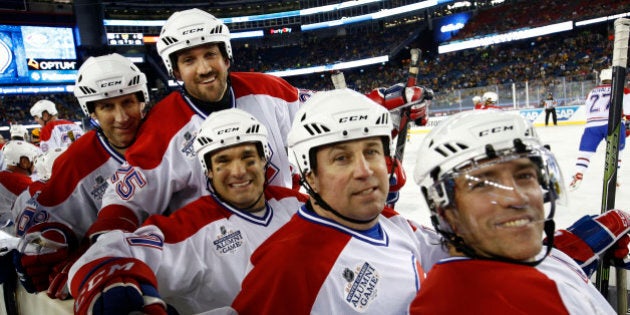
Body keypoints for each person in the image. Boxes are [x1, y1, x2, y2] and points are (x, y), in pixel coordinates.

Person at [89, 8, 424, 242]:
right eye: (189, 60)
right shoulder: (161, 128)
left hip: (291, 235)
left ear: (226, 56)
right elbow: (124, 201)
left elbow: (326, 112)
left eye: (210, 55)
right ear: (175, 71)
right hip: (214, 258)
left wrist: (381, 101)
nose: (204, 68)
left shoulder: (269, 89)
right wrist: (108, 250)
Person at [67, 109, 308, 314]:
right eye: (223, 161)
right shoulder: (189, 227)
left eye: (248, 158)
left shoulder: (296, 204)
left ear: (264, 160)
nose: (238, 171)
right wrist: (108, 281)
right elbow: (108, 253)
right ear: (209, 170)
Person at [230, 88, 447, 314]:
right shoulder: (285, 268)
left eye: (372, 151)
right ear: (311, 176)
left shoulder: (389, 222)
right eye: (342, 158)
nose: (364, 171)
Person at [409, 110, 618, 314]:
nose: (517, 198)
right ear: (445, 210)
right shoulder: (485, 304)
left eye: (525, 175)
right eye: (483, 184)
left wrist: (571, 259)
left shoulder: (508, 266)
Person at [9, 53, 149, 298]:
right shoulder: (75, 163)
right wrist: (59, 240)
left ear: (142, 100)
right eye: (107, 106)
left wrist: (95, 248)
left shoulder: (174, 130)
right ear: (91, 111)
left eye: (127, 102)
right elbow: (38, 237)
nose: (121, 117)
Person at [569, 68, 630, 190]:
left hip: (592, 125)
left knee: (585, 153)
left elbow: (587, 110)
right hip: (613, 123)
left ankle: (578, 174)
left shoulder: (591, 92)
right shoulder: (623, 90)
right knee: (617, 152)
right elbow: (628, 110)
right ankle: (614, 177)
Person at [0, 140, 40, 230]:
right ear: (24, 162)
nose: (35, 165)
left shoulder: (4, 175)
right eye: (33, 160)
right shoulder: (19, 182)